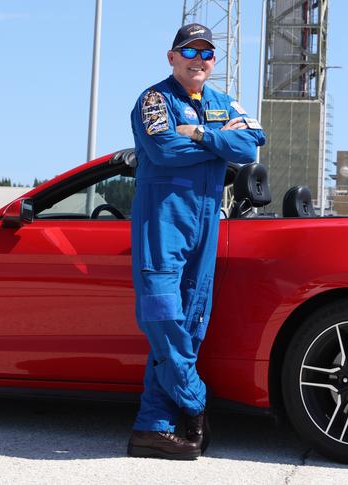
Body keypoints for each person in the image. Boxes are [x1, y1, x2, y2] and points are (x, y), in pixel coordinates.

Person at [127, 23, 266, 460]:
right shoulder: (155, 99)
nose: (198, 60)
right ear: (172, 57)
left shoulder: (222, 102)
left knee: (191, 323)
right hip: (162, 222)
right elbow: (164, 151)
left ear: (214, 61)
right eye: (189, 52)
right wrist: (220, 146)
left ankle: (152, 428)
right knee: (164, 318)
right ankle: (195, 402)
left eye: (206, 53)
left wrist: (203, 135)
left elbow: (251, 145)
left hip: (207, 224)